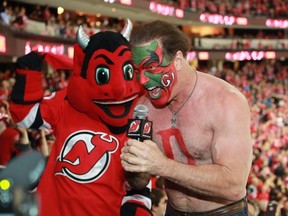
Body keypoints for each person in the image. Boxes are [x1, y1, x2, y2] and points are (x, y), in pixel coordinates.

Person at [9, 20, 151, 216]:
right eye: (103, 75)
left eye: (127, 72)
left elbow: (141, 181)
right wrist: (28, 75)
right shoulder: (66, 102)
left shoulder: (139, 116)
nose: (119, 89)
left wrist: (137, 208)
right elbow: (23, 116)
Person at [121, 20, 253, 215]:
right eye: (138, 71)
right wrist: (135, 166)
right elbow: (140, 181)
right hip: (173, 210)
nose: (143, 80)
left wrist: (163, 166)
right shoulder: (143, 108)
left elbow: (234, 185)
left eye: (151, 68)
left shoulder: (225, 101)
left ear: (178, 59)